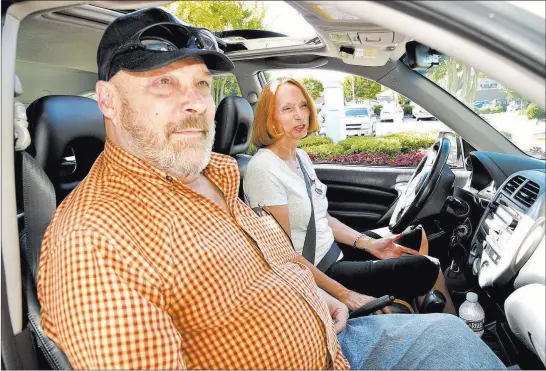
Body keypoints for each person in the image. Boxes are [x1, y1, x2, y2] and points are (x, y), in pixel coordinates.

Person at [37, 7, 505, 370]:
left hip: (336, 340)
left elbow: (276, 258)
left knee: (448, 333)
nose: (195, 103)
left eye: (201, 83)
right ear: (107, 101)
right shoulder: (93, 239)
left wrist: (323, 298)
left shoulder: (215, 174)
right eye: (163, 83)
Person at [244, 77, 456, 314]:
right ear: (269, 118)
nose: (299, 115)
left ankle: (417, 313)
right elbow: (283, 255)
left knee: (413, 239)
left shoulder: (300, 157)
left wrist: (369, 244)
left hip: (333, 252)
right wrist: (347, 295)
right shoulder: (263, 169)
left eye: (303, 105)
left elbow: (322, 219)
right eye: (287, 109)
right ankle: (460, 334)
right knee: (426, 267)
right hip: (316, 273)